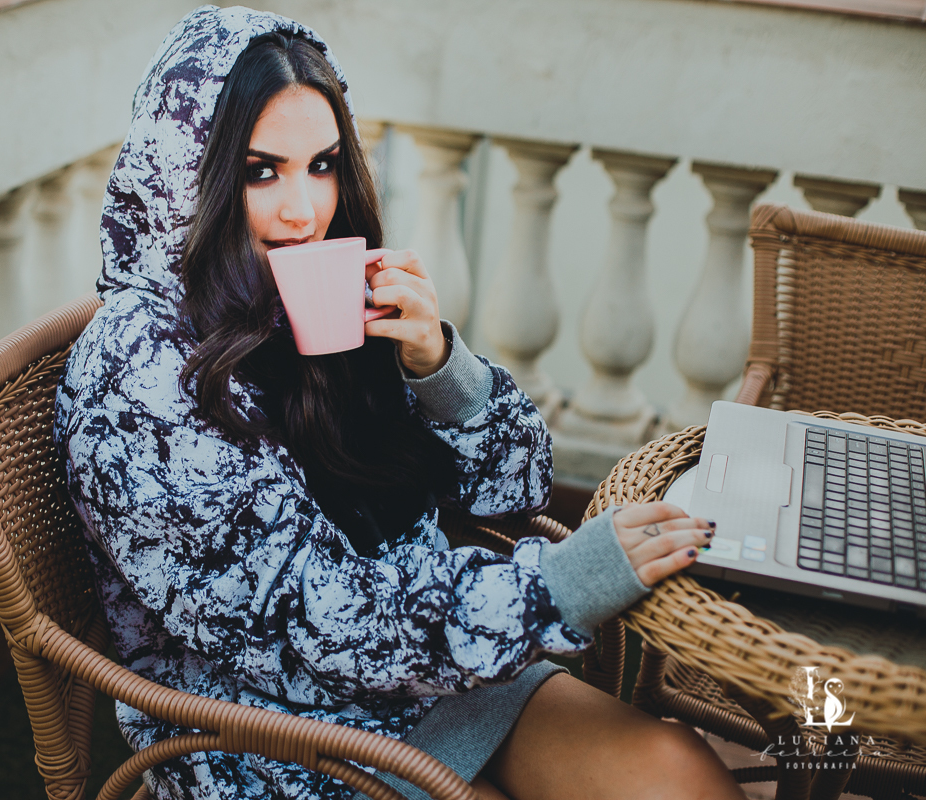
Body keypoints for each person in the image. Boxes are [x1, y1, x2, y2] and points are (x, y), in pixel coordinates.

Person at [56, 6, 745, 800]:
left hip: (429, 669)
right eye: (260, 170)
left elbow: (513, 490)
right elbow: (307, 617)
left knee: (679, 774)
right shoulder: (136, 369)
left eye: (321, 165)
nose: (303, 211)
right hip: (266, 727)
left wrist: (438, 366)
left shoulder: (321, 291)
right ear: (188, 172)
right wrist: (552, 589)